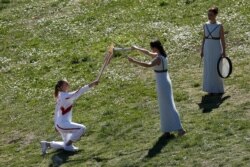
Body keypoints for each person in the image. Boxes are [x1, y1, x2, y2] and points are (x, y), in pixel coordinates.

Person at [127, 40, 186, 137]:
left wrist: (134, 61)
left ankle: (180, 129)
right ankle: (167, 130)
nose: (151, 50)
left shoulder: (158, 58)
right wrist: (136, 48)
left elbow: (148, 65)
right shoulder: (161, 55)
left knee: (169, 105)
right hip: (163, 81)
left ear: (156, 48)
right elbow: (147, 52)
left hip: (163, 82)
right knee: (164, 106)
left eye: (152, 48)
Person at [40, 79, 99, 155]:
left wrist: (55, 125)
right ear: (61, 87)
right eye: (66, 84)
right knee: (82, 128)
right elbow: (79, 91)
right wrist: (92, 84)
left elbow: (56, 110)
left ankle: (47, 144)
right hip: (63, 124)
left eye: (67, 83)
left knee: (66, 144)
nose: (68, 84)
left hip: (61, 124)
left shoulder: (60, 95)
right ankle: (68, 145)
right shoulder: (65, 96)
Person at [200, 6, 226, 94]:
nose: (209, 16)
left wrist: (224, 51)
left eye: (211, 14)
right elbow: (204, 38)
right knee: (208, 68)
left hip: (216, 48)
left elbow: (222, 40)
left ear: (215, 15)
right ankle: (209, 88)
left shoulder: (219, 26)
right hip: (207, 48)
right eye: (208, 14)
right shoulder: (205, 25)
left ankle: (217, 89)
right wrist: (202, 49)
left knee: (216, 67)